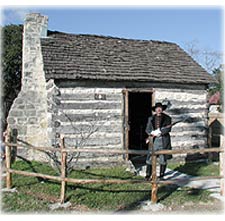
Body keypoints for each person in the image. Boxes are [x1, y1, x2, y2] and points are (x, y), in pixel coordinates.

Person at [145, 102, 172, 180]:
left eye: (160, 108)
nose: (159, 109)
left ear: (162, 109)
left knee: (163, 158)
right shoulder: (151, 118)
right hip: (154, 140)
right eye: (157, 108)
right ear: (155, 110)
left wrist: (161, 132)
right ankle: (148, 174)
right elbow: (148, 129)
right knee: (150, 157)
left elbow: (168, 128)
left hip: (163, 140)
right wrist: (152, 133)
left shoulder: (167, 118)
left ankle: (161, 175)